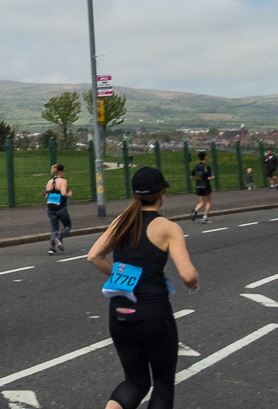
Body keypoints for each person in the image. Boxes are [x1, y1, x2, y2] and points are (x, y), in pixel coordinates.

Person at [88, 167, 200, 409]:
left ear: (134, 193)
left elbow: (94, 256)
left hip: (119, 313)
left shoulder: (121, 221)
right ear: (162, 194)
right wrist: (195, 284)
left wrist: (123, 273)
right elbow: (187, 275)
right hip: (154, 314)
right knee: (162, 383)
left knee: (135, 380)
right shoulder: (168, 228)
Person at [45, 163, 74, 255]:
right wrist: (69, 194)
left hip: (50, 208)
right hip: (60, 208)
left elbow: (46, 195)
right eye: (63, 171)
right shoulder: (63, 181)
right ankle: (59, 237)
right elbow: (63, 193)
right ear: (60, 172)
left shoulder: (49, 182)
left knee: (54, 228)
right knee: (67, 226)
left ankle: (52, 248)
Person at [190, 152, 214, 223]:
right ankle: (205, 217)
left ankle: (196, 210)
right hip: (206, 186)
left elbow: (192, 176)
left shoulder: (196, 166)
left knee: (201, 202)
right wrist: (213, 178)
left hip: (198, 186)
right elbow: (209, 178)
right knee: (208, 202)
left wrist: (198, 178)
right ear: (205, 157)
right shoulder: (206, 166)